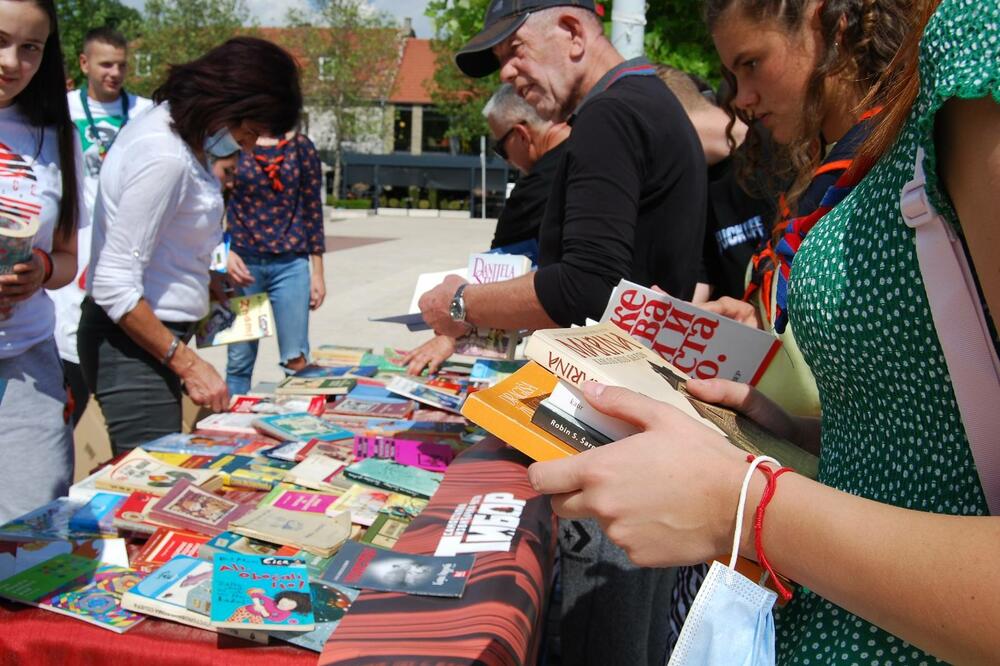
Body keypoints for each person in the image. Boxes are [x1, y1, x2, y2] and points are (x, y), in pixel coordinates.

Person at [528, 0, 1000, 663]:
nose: (744, 98)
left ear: (826, 17)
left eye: (752, 64)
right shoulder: (896, 117)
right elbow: (932, 440)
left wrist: (741, 502)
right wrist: (803, 437)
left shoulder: (975, 38)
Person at [427, 4, 707, 665]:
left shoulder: (610, 115)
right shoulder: (652, 103)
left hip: (608, 425)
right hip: (646, 422)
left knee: (596, 641)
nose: (511, 71)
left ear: (576, 33)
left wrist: (461, 303)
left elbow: (586, 285)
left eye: (518, 50)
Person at [79, 37, 303, 453]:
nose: (249, 147)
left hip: (157, 341)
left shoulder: (181, 137)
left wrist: (206, 278)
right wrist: (189, 363)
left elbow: (168, 238)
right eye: (249, 132)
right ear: (226, 100)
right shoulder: (164, 155)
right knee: (150, 483)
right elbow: (113, 282)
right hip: (134, 347)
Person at [403, 83, 570, 376]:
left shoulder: (539, 183)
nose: (503, 157)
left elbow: (498, 270)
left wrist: (450, 328)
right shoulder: (595, 156)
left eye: (499, 146)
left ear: (521, 134)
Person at [0, 0, 84, 523]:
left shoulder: (55, 136)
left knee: (33, 532)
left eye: (30, 48)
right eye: (0, 41)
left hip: (28, 363)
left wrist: (39, 272)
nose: (12, 62)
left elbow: (68, 257)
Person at [49, 26, 152, 426]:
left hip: (122, 244)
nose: (114, 73)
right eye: (105, 64)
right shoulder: (61, 108)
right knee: (67, 356)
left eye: (122, 65)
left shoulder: (144, 112)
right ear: (84, 63)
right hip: (74, 241)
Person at [223, 128, 326, 397]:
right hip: (243, 263)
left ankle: (297, 423)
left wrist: (318, 272)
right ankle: (232, 427)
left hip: (290, 264)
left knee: (297, 360)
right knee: (239, 361)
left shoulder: (301, 147)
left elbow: (312, 209)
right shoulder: (236, 140)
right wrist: (222, 250)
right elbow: (215, 197)